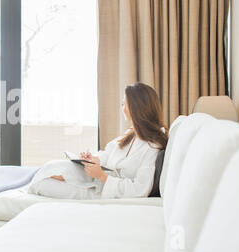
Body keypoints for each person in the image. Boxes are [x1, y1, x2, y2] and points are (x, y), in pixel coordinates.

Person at [28, 82, 168, 200]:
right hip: (97, 182)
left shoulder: (152, 147)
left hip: (102, 192)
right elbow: (108, 154)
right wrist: (93, 159)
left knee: (41, 184)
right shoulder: (130, 136)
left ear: (137, 108)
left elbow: (140, 189)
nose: (122, 108)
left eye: (124, 104)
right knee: (53, 167)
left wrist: (102, 176)